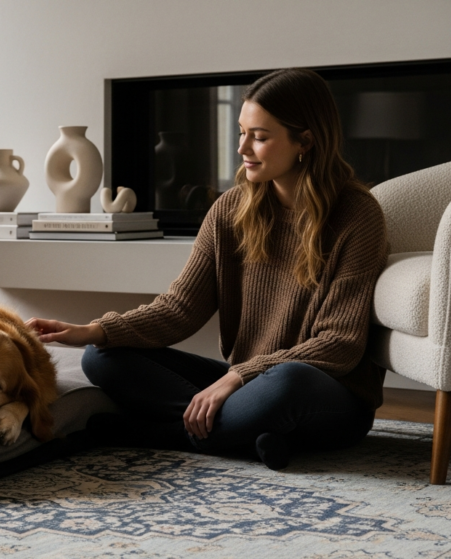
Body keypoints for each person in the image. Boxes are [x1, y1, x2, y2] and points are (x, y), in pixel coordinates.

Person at [26, 68, 387, 470]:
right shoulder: (231, 209)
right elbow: (179, 309)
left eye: (260, 137)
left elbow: (339, 343)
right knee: (101, 357)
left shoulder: (357, 215)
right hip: (250, 385)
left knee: (288, 381)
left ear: (305, 141)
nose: (242, 147)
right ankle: (248, 435)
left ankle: (155, 433)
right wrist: (93, 330)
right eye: (242, 132)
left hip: (326, 395)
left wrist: (236, 378)